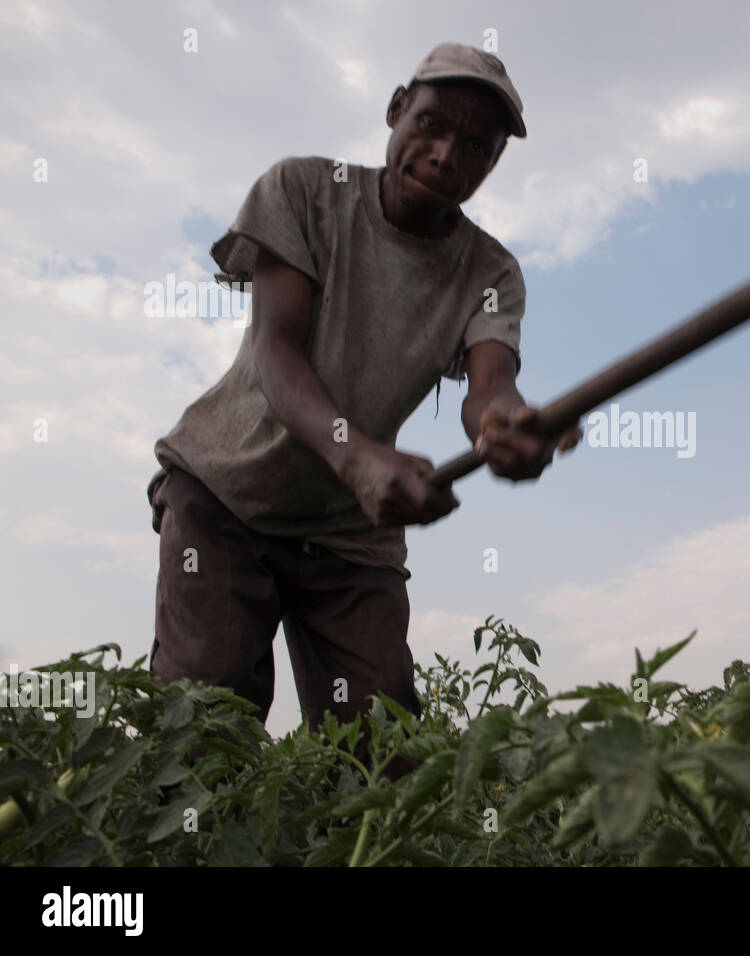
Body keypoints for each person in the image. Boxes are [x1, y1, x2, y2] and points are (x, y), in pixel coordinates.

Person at [145, 42, 580, 751]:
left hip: (349, 532)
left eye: (476, 145)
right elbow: (276, 349)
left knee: (382, 751)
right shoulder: (304, 193)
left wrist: (508, 426)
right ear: (396, 109)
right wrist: (356, 457)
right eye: (432, 125)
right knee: (204, 726)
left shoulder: (492, 270)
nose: (445, 156)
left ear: (494, 162)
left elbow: (490, 387)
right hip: (226, 493)